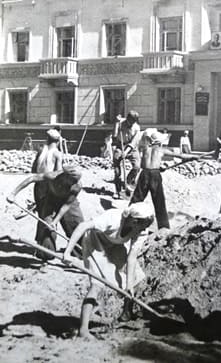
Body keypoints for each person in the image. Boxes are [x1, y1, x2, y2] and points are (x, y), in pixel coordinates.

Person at [63, 203, 154, 338]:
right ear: (134, 222)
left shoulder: (141, 231)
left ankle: (126, 313)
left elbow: (132, 258)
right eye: (143, 227)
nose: (144, 231)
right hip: (94, 243)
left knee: (136, 277)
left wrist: (129, 286)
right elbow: (83, 226)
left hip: (114, 245)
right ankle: (83, 330)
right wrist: (67, 253)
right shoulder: (113, 218)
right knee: (97, 285)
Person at [7, 165, 84, 259]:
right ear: (65, 176)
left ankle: (77, 252)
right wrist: (13, 193)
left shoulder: (77, 186)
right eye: (72, 181)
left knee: (76, 223)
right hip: (50, 200)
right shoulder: (53, 176)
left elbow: (66, 206)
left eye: (75, 181)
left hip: (67, 201)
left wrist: (55, 221)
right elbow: (32, 178)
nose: (73, 183)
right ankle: (46, 252)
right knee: (47, 226)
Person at [129, 130, 198, 229]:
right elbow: (181, 155)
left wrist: (158, 168)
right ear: (159, 142)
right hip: (155, 175)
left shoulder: (145, 148)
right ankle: (163, 227)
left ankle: (127, 219)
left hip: (144, 173)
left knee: (137, 199)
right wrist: (193, 157)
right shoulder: (161, 150)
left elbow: (146, 161)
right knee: (159, 202)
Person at [32, 129, 63, 216]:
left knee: (41, 212)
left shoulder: (41, 151)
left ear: (47, 139)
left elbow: (33, 170)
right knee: (49, 215)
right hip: (49, 187)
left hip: (38, 185)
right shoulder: (57, 154)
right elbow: (58, 174)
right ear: (58, 141)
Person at [112, 111, 141, 198]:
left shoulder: (137, 128)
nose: (132, 123)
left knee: (137, 166)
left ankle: (127, 182)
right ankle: (118, 190)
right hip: (120, 145)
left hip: (132, 148)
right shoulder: (120, 122)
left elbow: (133, 143)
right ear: (127, 119)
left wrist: (126, 152)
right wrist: (116, 123)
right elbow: (114, 135)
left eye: (134, 121)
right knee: (117, 170)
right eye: (130, 121)